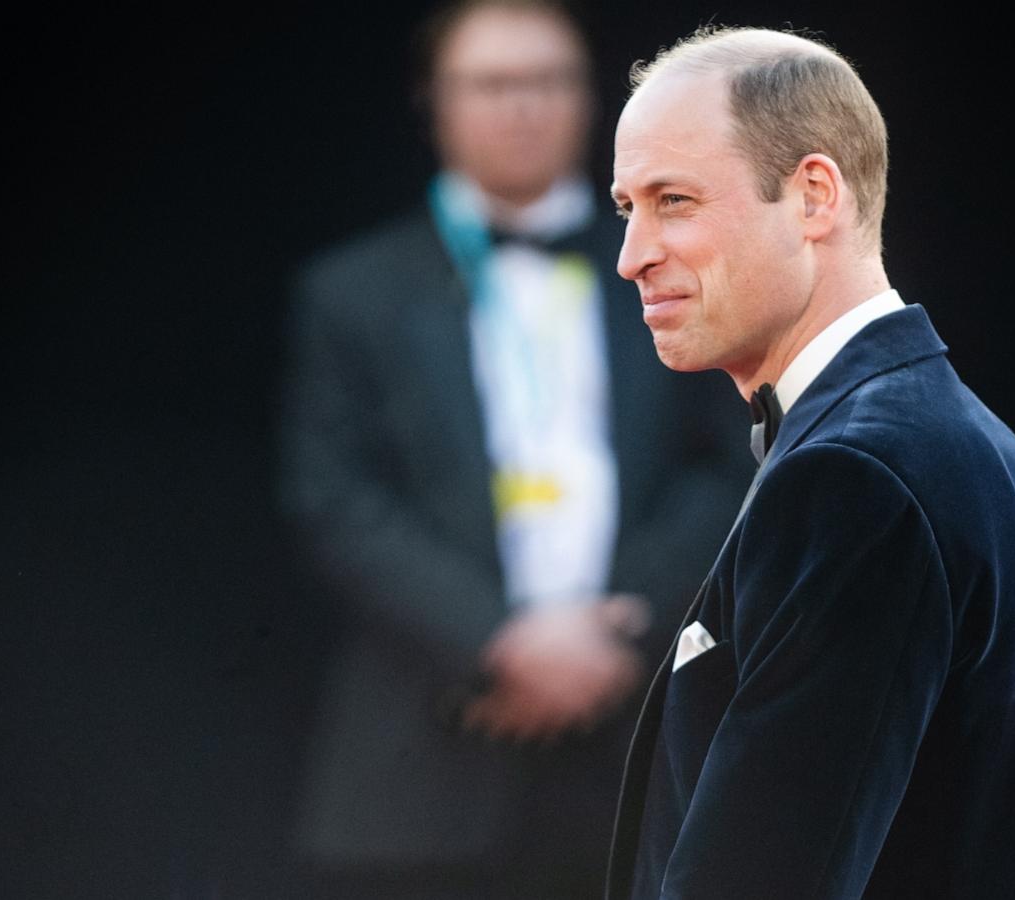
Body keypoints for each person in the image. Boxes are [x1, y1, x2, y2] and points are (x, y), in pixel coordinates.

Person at [604, 27, 1015, 899]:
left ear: (814, 197)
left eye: (675, 201)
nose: (632, 255)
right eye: (628, 209)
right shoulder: (968, 445)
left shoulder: (858, 479)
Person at [277, 3, 751, 898]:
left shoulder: (682, 270)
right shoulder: (355, 292)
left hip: (644, 731)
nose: (523, 107)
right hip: (432, 745)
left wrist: (620, 628)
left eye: (550, 80)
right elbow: (334, 497)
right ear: (433, 100)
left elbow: (737, 459)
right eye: (492, 83)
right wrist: (503, 640)